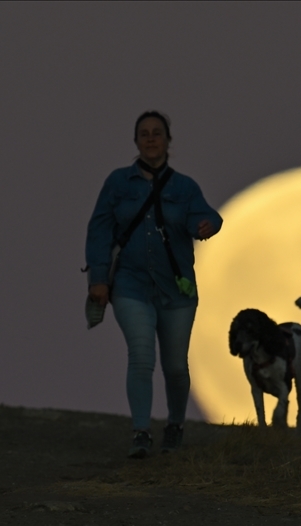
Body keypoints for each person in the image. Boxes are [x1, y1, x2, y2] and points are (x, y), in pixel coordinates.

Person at [84, 111, 221, 457]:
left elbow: (205, 216)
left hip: (177, 290)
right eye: (143, 134)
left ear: (168, 140)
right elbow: (99, 231)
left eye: (156, 133)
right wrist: (98, 281)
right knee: (141, 357)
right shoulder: (117, 183)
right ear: (135, 141)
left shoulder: (184, 187)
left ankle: (175, 425)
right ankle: (141, 432)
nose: (150, 138)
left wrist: (205, 226)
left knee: (175, 366)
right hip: (130, 286)